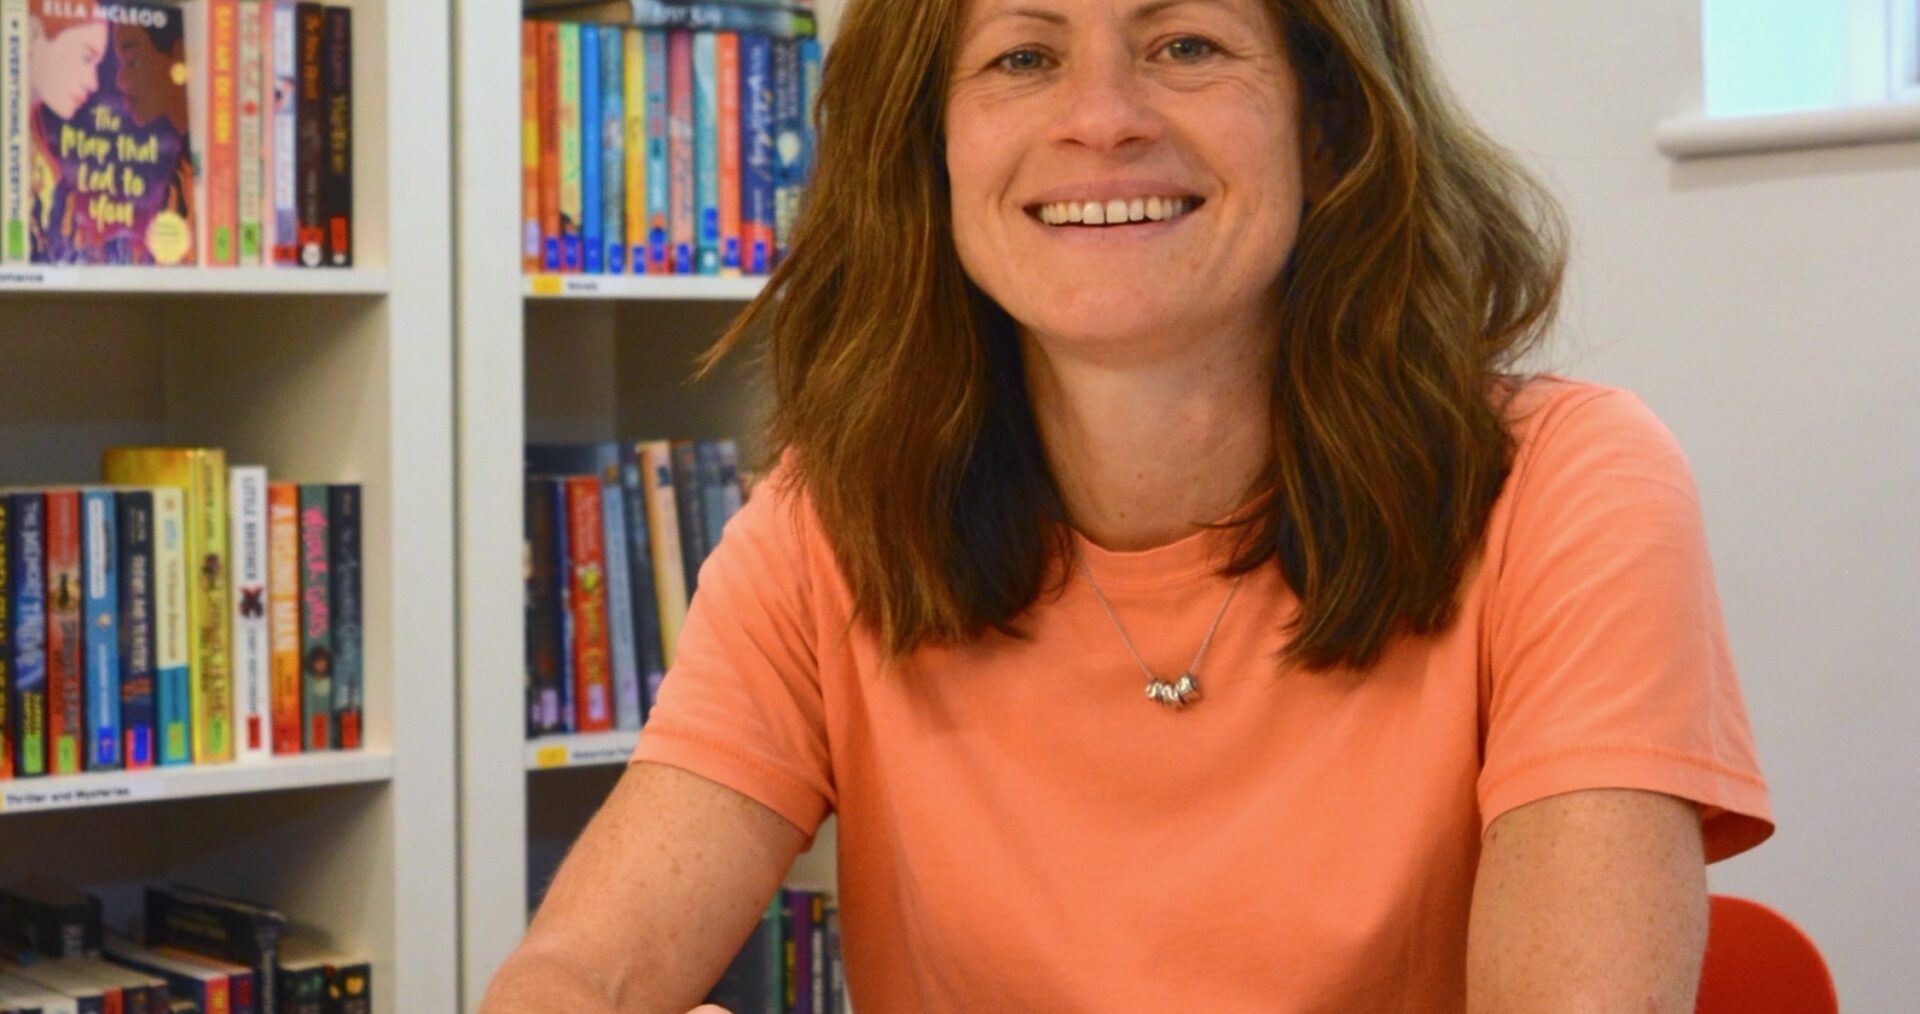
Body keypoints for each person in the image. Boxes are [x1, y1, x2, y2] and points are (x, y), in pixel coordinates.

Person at [483, 0, 1773, 1010]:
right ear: (930, 147)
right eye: (1021, 58)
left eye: (1188, 43)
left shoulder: (1564, 484)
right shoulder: (831, 521)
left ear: (1327, 126)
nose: (1103, 117)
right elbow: (579, 976)